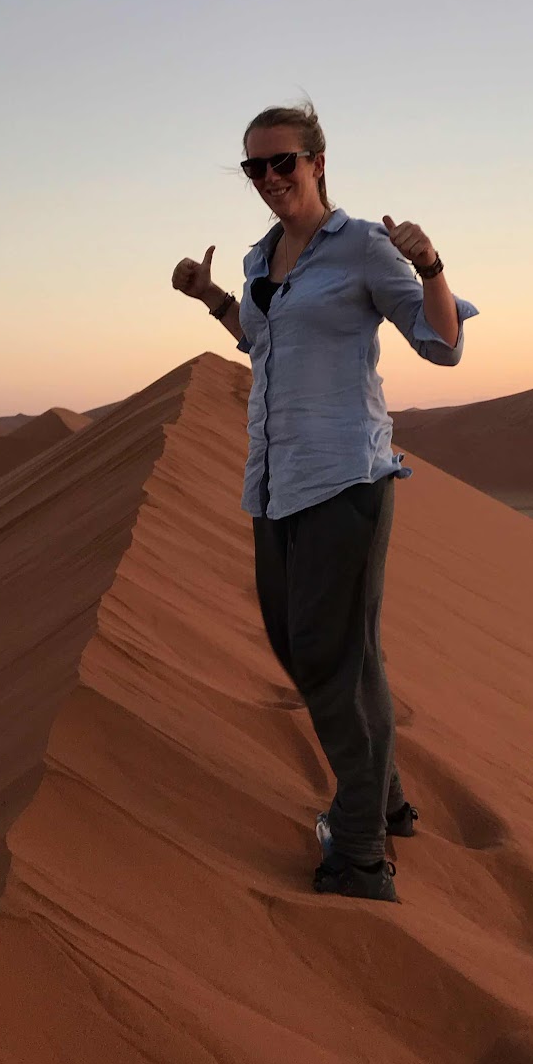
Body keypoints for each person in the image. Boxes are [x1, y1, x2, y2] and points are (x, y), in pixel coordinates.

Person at [171, 100, 478, 902]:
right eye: (255, 167)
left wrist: (431, 267)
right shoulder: (262, 258)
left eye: (284, 161)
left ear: (316, 162)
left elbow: (442, 345)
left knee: (326, 652)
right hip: (275, 481)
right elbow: (265, 341)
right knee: (316, 645)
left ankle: (362, 852)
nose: (270, 177)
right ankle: (388, 797)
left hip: (345, 477)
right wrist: (213, 298)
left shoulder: (363, 247)